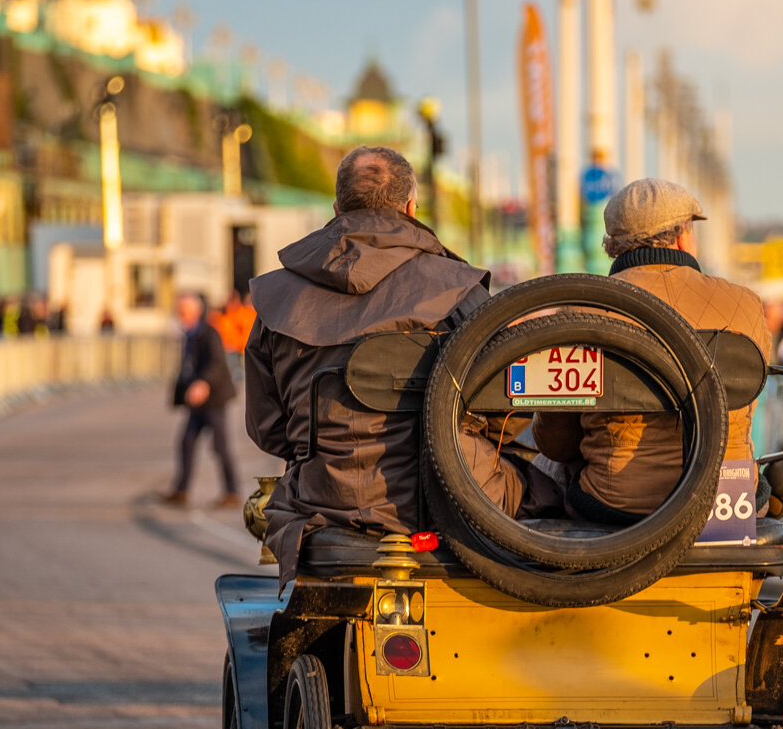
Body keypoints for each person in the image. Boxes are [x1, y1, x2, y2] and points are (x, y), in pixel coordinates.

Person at [244, 145, 555, 581]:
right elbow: (500, 412)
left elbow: (268, 430)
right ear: (411, 208)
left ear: (337, 208)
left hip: (323, 502)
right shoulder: (457, 289)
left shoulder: (276, 298)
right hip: (446, 498)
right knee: (554, 478)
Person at [531, 178, 769, 524]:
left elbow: (556, 441)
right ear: (684, 236)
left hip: (615, 504)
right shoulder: (745, 305)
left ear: (612, 246)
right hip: (728, 497)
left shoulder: (582, 311)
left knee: (545, 465)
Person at [164, 292, 240, 508]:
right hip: (198, 403)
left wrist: (203, 383)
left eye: (183, 312)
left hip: (213, 399)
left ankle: (232, 492)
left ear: (195, 312)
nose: (180, 315)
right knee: (186, 442)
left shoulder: (208, 333)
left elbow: (217, 363)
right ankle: (181, 491)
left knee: (220, 446)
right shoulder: (189, 334)